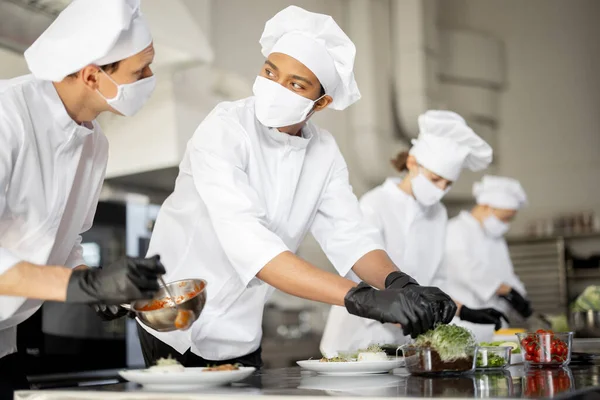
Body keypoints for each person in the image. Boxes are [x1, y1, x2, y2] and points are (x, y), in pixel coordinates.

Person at [99, 6, 456, 368]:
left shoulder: (324, 151)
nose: (275, 88)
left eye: (296, 84)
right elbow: (251, 245)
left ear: (322, 102)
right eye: (270, 72)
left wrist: (401, 283)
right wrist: (363, 298)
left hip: (240, 331)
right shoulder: (225, 128)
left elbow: (351, 236)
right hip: (176, 322)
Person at [0, 0, 165, 393]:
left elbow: (66, 241)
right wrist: (85, 287)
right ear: (92, 76)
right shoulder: (7, 115)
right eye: (140, 70)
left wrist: (94, 280)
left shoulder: (95, 144)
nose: (150, 77)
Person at [321, 111, 507, 356]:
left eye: (447, 184)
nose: (440, 190)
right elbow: (359, 275)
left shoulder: (437, 214)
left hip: (405, 342)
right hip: (358, 339)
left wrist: (462, 310)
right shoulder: (375, 204)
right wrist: (404, 312)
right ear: (412, 163)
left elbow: (434, 282)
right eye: (435, 179)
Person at [441, 175, 531, 341]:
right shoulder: (456, 230)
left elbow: (506, 272)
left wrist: (520, 295)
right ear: (486, 207)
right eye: (504, 218)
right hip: (466, 323)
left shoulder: (495, 238)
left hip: (497, 324)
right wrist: (507, 290)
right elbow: (466, 270)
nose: (506, 223)